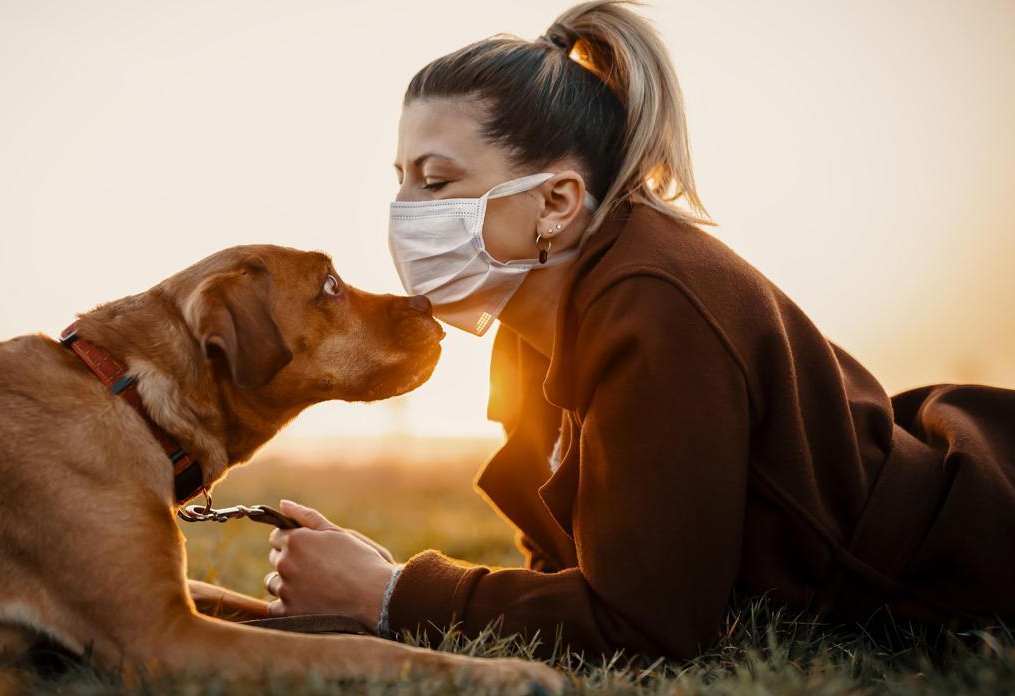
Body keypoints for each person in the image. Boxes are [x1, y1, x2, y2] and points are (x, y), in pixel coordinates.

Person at [261, 0, 1015, 662]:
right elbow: (577, 579)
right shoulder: (530, 324)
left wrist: (393, 594)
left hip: (967, 559)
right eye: (399, 177)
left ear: (555, 201)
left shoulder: (653, 301)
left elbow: (644, 629)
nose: (405, 210)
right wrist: (376, 584)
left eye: (435, 180)